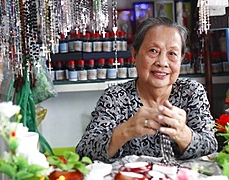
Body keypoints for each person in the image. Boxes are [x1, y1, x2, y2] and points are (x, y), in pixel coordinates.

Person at [75, 17, 218, 163]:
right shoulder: (116, 97)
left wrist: (183, 133)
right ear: (134, 55)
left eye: (172, 54)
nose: (162, 62)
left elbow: (211, 147)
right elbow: (84, 151)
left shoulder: (191, 92)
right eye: (153, 51)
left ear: (181, 60)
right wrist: (126, 131)